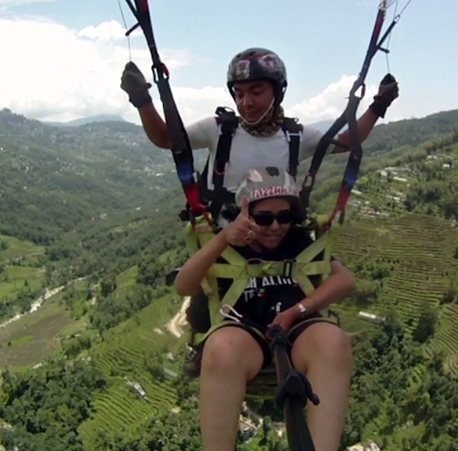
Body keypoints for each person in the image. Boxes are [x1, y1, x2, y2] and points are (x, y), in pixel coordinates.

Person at [120, 47, 397, 375]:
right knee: (204, 305)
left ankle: (300, 337)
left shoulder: (294, 136)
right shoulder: (219, 130)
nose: (246, 102)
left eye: (256, 91)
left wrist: (378, 106)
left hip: (278, 236)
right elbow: (167, 138)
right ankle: (210, 340)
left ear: (277, 92)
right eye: (239, 93)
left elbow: (345, 142)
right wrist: (142, 100)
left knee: (297, 289)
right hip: (227, 238)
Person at [173, 166, 356, 451]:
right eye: (263, 218)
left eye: (284, 217)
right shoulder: (227, 244)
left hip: (298, 327)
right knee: (221, 348)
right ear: (244, 215)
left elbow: (345, 279)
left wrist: (299, 310)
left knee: (334, 342)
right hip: (244, 328)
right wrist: (223, 238)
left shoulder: (298, 241)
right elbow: (184, 286)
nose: (275, 226)